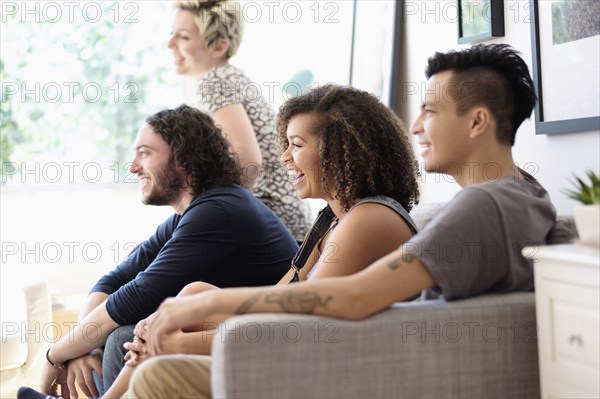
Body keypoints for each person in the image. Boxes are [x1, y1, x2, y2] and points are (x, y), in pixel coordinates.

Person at [115, 43, 558, 398]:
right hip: (376, 356)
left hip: (360, 370)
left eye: (431, 111)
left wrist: (199, 309)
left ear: (478, 121)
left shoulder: (483, 206)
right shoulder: (523, 196)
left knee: (160, 372)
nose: (417, 126)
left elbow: (353, 297)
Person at [65, 83, 421, 399]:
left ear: (341, 152)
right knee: (190, 293)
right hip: (293, 346)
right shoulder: (332, 220)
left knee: (161, 326)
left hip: (319, 366)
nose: (284, 158)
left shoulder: (369, 218)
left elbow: (303, 322)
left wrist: (178, 339)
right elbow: (281, 296)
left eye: (296, 145)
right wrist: (179, 316)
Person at [20, 105, 298, 399]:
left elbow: (139, 295)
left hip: (261, 348)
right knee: (113, 335)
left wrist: (55, 355)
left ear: (184, 158)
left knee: (122, 338)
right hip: (224, 338)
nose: (133, 166)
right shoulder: (191, 214)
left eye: (145, 153)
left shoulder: (219, 210)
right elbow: (112, 282)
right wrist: (85, 346)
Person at [168, 0, 312, 241]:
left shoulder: (216, 82)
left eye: (183, 37)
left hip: (274, 222)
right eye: (172, 34)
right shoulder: (228, 77)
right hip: (286, 221)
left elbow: (248, 163)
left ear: (218, 46)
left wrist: (208, 213)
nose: (170, 44)